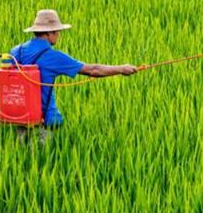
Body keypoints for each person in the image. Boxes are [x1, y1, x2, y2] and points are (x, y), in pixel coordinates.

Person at [12, 9, 137, 141]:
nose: (59, 35)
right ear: (49, 33)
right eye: (58, 32)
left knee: (21, 153)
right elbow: (93, 70)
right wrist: (122, 69)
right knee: (42, 158)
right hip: (42, 121)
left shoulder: (16, 51)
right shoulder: (53, 56)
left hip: (18, 116)